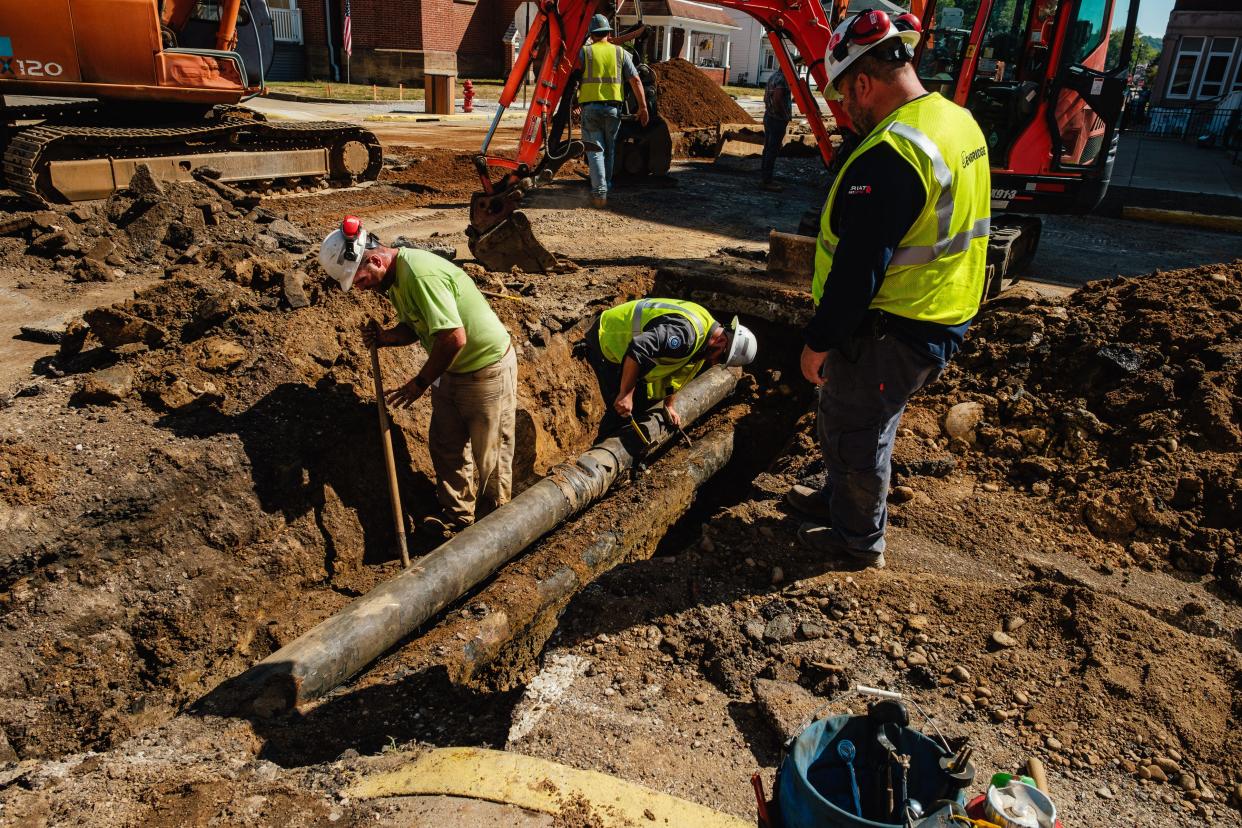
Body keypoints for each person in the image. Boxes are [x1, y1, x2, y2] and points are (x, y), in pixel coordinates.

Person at [790, 9, 990, 569]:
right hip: (938, 310)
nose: (846, 111)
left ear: (862, 81)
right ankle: (839, 501)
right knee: (858, 417)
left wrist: (820, 339)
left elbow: (859, 266)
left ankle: (856, 541)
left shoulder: (892, 153)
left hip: (894, 325)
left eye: (844, 96)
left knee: (858, 427)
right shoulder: (956, 121)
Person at [319, 216, 517, 536]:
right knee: (446, 446)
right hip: (450, 369)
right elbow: (416, 325)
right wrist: (385, 338)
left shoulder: (420, 275)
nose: (360, 287)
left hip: (486, 370)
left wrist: (419, 383)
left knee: (490, 454)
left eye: (360, 279)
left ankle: (496, 531)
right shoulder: (394, 280)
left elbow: (453, 337)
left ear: (375, 259)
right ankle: (458, 518)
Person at [585, 298, 757, 436]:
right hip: (609, 339)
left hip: (632, 351)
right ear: (721, 341)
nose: (714, 363)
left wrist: (669, 404)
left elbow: (678, 374)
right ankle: (598, 455)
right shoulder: (686, 335)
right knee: (620, 413)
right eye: (721, 357)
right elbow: (639, 347)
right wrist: (626, 394)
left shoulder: (705, 336)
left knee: (639, 405)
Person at [577, 14, 649, 208]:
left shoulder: (585, 52)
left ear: (591, 35)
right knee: (609, 151)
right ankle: (605, 186)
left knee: (595, 151)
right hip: (613, 110)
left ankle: (599, 193)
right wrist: (643, 107)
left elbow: (573, 77)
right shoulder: (621, 53)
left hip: (590, 109)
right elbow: (636, 80)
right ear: (609, 33)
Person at [760, 64, 793, 192]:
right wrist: (784, 114)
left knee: (767, 148)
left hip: (768, 117)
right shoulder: (783, 79)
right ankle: (767, 181)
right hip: (777, 120)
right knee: (772, 150)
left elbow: (765, 98)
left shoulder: (773, 77)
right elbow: (778, 98)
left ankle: (764, 177)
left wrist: (770, 110)